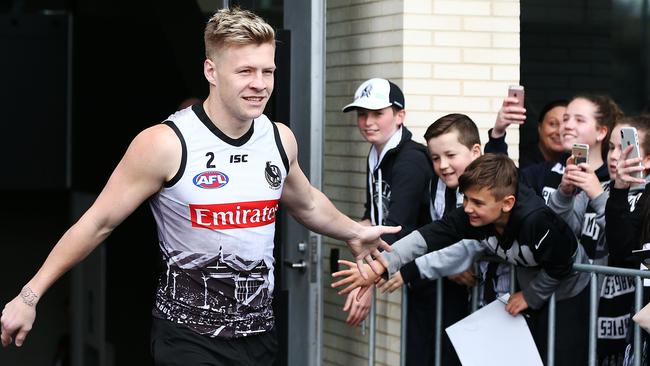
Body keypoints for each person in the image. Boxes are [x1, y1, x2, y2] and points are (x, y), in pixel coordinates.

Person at [0, 8, 400, 366]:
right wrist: (29, 295)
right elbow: (97, 223)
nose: (260, 84)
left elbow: (306, 202)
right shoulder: (166, 143)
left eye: (268, 71)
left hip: (258, 337)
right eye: (245, 71)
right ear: (211, 71)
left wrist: (354, 231)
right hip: (188, 339)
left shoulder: (279, 139)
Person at [332, 154, 592, 366]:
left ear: (507, 203)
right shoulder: (472, 216)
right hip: (532, 287)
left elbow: (564, 263)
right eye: (465, 198)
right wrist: (379, 266)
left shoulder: (536, 220)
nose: (467, 208)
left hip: (570, 291)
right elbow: (428, 237)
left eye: (477, 202)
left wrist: (530, 296)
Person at [340, 78, 446, 365]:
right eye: (362, 114)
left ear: (400, 116)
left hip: (436, 273)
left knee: (432, 354)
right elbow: (371, 216)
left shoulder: (410, 159)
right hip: (409, 269)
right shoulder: (376, 153)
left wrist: (367, 281)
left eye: (377, 114)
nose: (367, 122)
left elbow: (398, 226)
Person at [548, 116, 650, 364]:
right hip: (594, 301)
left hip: (632, 305)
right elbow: (561, 231)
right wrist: (564, 194)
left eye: (625, 148)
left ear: (647, 159)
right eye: (612, 147)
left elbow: (629, 246)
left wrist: (599, 195)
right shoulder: (601, 185)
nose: (614, 156)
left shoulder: (643, 196)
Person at [486, 97, 568, 168]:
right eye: (553, 124)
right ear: (540, 127)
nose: (559, 131)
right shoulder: (524, 162)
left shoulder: (575, 166)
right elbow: (498, 174)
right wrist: (498, 132)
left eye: (566, 125)